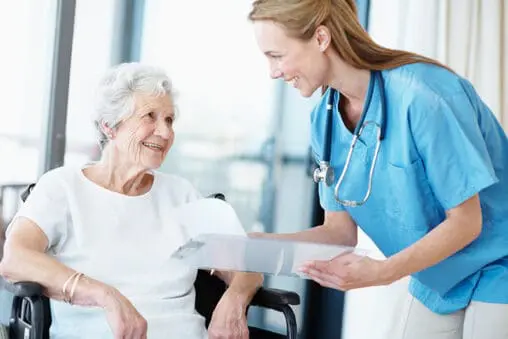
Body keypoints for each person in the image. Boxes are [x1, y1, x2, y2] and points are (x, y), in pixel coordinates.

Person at [248, 0, 508, 338]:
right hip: (438, 275)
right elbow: (339, 233)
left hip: (498, 261)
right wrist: (259, 245)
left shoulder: (424, 96)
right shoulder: (323, 120)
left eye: (276, 55)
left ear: (321, 38)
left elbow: (467, 222)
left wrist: (382, 272)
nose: (273, 72)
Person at [0, 63, 263, 339]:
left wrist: (235, 298)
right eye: (150, 116)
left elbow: (248, 266)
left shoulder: (181, 194)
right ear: (109, 126)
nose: (164, 132)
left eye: (169, 120)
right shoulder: (62, 187)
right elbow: (15, 258)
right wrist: (104, 295)